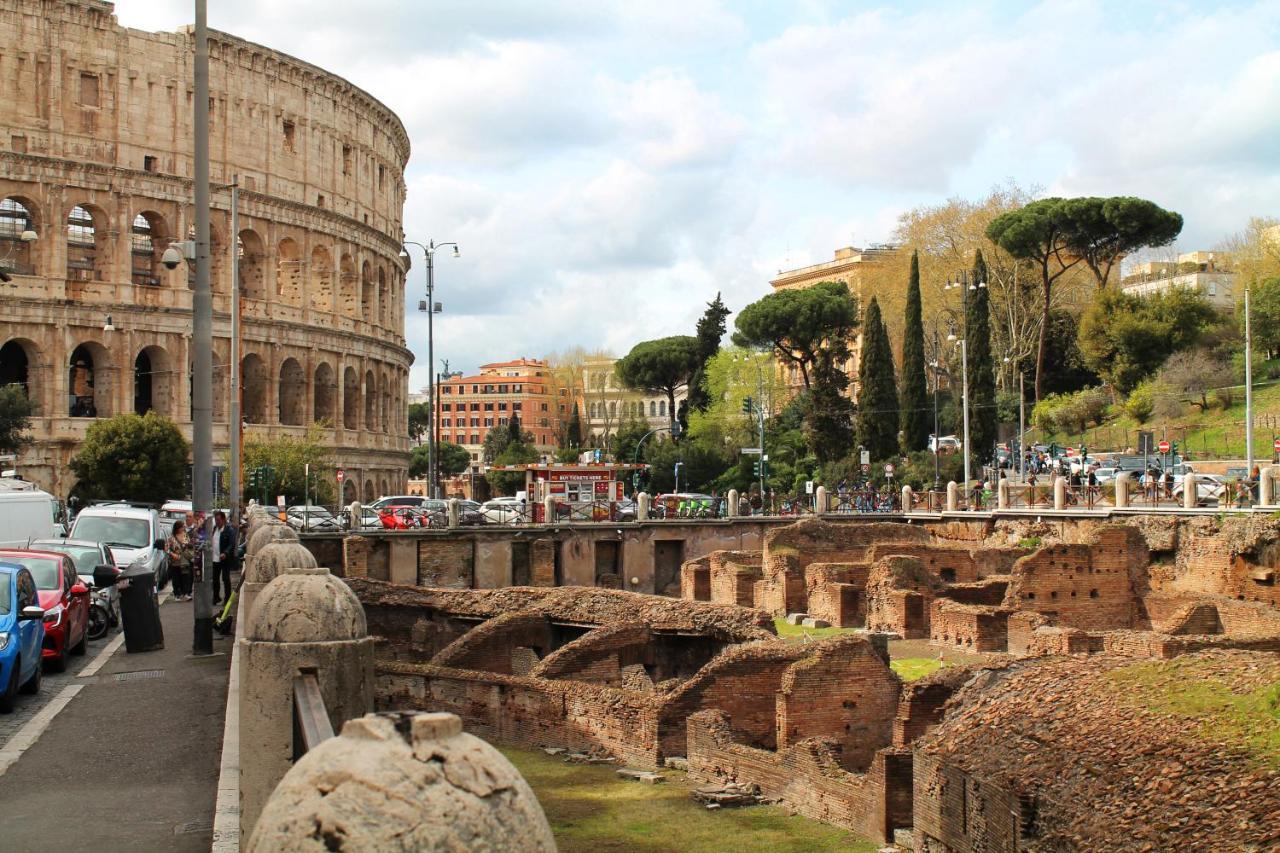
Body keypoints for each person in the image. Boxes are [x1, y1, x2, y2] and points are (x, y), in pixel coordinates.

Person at [165, 518, 194, 601]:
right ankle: (177, 594)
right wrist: (172, 554)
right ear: (177, 528)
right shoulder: (171, 538)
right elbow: (166, 548)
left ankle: (185, 593)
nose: (183, 528)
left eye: (183, 527)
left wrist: (189, 548)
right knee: (176, 578)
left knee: (186, 577)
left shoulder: (185, 535)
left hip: (184, 560)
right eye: (182, 527)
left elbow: (189, 546)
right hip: (175, 562)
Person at [211, 510, 236, 605]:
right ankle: (216, 597)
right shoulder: (214, 529)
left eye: (218, 520)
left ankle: (227, 598)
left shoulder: (229, 530)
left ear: (223, 519)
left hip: (224, 558)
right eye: (216, 520)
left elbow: (231, 544)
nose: (217, 522)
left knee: (225, 579)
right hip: (215, 558)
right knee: (215, 579)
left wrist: (225, 553)